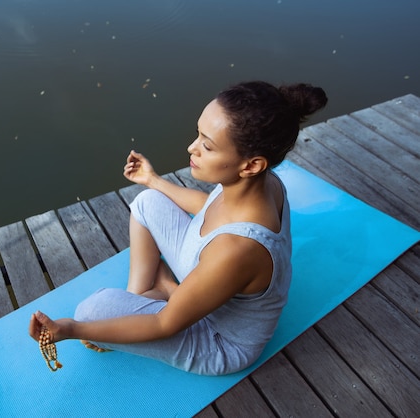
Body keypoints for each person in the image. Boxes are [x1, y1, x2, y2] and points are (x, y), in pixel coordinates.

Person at [29, 81, 327, 376]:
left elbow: (164, 324)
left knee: (89, 312)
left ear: (251, 165)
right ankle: (148, 292)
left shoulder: (239, 250)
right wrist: (153, 180)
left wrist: (72, 329)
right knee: (147, 201)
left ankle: (162, 294)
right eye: (198, 135)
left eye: (207, 146)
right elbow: (207, 207)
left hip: (218, 339)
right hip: (210, 272)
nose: (192, 148)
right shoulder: (263, 182)